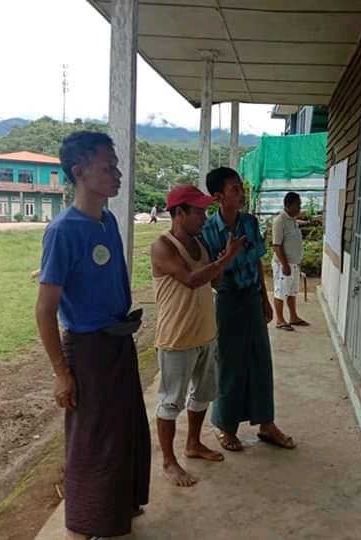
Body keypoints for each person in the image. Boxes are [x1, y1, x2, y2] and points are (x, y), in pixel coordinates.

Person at [35, 131, 151, 540]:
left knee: (124, 432)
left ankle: (116, 512)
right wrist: (61, 372)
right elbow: (45, 310)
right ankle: (82, 528)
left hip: (118, 342)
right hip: (88, 351)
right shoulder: (64, 230)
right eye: (108, 166)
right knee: (91, 442)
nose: (117, 174)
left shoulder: (108, 221)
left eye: (116, 166)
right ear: (80, 171)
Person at [151, 184, 245, 487]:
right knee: (170, 402)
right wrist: (224, 260)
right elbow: (191, 280)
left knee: (203, 394)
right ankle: (169, 462)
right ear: (180, 213)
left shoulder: (200, 243)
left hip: (205, 333)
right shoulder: (163, 246)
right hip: (176, 338)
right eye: (199, 212)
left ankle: (193, 443)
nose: (205, 218)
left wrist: (220, 264)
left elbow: (212, 281)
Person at [202, 167, 296, 452]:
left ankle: (266, 424)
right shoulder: (208, 230)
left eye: (241, 188)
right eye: (234, 189)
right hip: (227, 301)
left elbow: (256, 261)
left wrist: (264, 299)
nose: (241, 194)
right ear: (218, 196)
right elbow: (213, 279)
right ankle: (225, 426)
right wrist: (227, 258)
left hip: (253, 298)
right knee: (229, 364)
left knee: (260, 360)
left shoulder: (249, 223)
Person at [271, 191, 309, 330]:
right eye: (297, 205)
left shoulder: (293, 220)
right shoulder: (279, 221)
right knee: (280, 292)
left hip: (294, 264)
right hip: (283, 264)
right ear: (288, 205)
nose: (299, 208)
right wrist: (284, 265)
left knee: (292, 292)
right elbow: (277, 245)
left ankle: (293, 317)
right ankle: (280, 320)